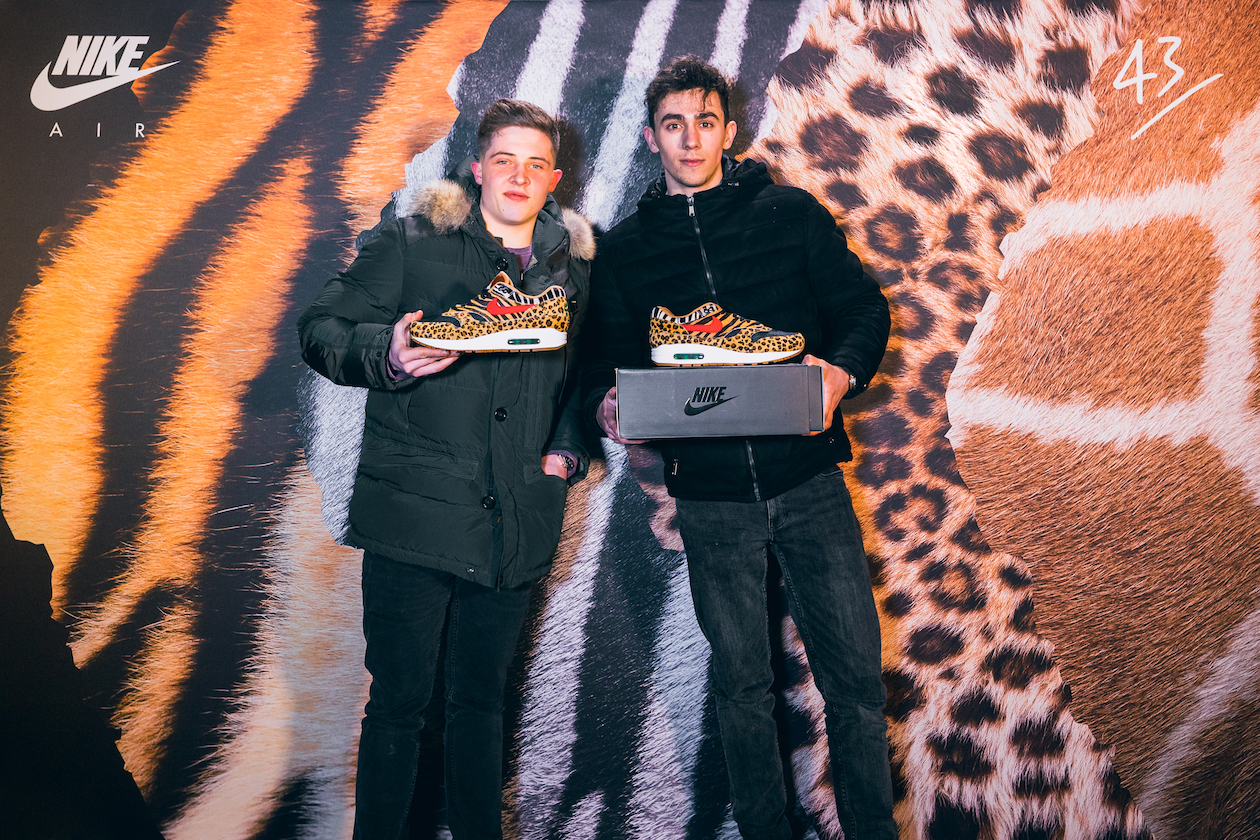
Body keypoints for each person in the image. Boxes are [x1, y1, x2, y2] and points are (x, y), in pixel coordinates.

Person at [580, 57, 896, 839]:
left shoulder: (790, 213)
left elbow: (862, 308)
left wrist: (841, 373)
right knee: (742, 689)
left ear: (729, 130)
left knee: (856, 683)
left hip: (809, 480)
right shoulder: (625, 251)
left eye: (705, 121)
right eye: (674, 125)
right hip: (711, 496)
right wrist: (608, 402)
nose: (691, 139)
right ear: (651, 137)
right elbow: (605, 363)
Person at [298, 99, 593, 840]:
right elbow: (319, 328)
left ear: (553, 178)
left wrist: (565, 452)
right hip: (414, 516)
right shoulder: (412, 242)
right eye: (505, 161)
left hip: (516, 518)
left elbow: (585, 376)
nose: (519, 177)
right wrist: (388, 353)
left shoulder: (575, 269)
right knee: (400, 704)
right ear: (477, 167)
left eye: (535, 165)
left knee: (482, 705)